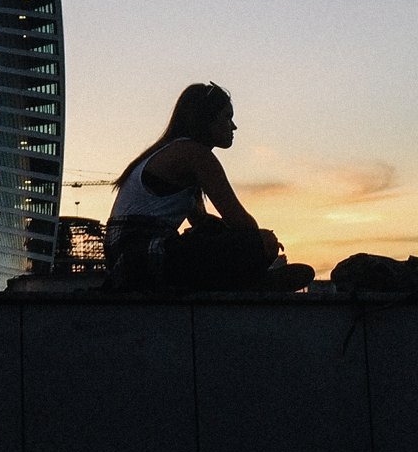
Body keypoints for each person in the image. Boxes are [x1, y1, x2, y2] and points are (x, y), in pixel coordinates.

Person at [105, 82, 313, 293]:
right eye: (227, 117)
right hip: (143, 255)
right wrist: (265, 242)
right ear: (207, 119)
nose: (233, 126)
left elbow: (200, 221)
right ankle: (252, 282)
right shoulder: (196, 155)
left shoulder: (176, 150)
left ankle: (242, 281)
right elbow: (240, 221)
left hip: (128, 258)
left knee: (219, 238)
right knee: (256, 242)